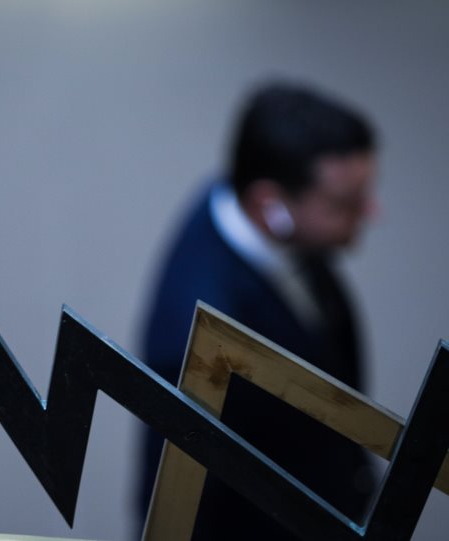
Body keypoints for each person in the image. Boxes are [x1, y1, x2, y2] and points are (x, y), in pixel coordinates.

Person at [135, 82, 379, 540]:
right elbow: (178, 515)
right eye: (344, 204)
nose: (371, 212)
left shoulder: (238, 201)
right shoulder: (195, 341)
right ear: (270, 205)